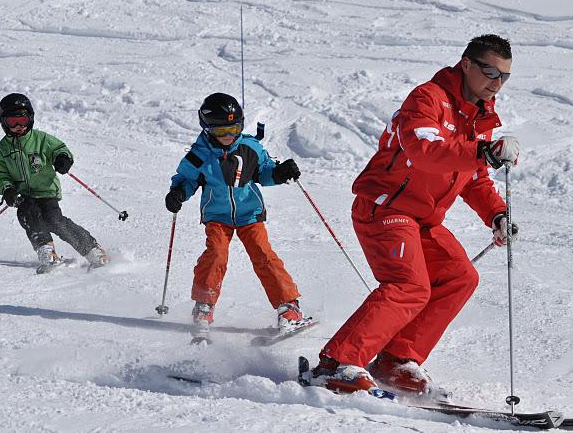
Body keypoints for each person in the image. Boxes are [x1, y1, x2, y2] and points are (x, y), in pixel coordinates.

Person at [303, 34, 520, 395]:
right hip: (386, 208)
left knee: (460, 277)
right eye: (489, 72)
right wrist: (482, 151)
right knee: (409, 286)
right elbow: (424, 150)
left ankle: (395, 360)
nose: (496, 83)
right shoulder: (427, 99)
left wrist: (497, 213)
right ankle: (337, 364)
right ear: (466, 64)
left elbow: (473, 178)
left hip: (423, 220)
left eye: (504, 77)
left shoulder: (480, 117)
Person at [165, 92, 306, 341]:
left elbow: (265, 172)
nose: (229, 136)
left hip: (249, 213)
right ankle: (203, 307)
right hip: (217, 215)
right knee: (216, 255)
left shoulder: (250, 148)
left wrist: (281, 173)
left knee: (263, 255)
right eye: (221, 131)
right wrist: (178, 193)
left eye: (234, 128)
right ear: (207, 129)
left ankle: (289, 307)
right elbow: (186, 179)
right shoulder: (199, 155)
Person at [0, 93, 109, 274]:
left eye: (22, 120)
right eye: (12, 121)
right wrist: (7, 190)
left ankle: (92, 249)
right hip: (23, 195)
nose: (18, 126)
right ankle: (46, 251)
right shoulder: (1, 150)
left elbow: (59, 148)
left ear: (30, 119)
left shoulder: (41, 139)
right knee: (27, 214)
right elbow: (0, 175)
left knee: (54, 220)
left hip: (46, 190)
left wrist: (62, 158)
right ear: (3, 122)